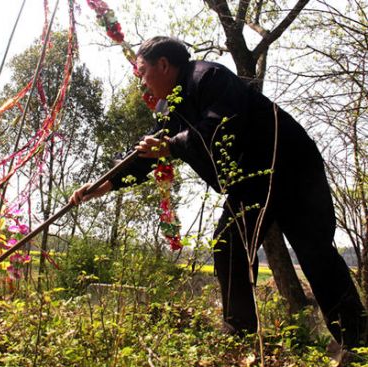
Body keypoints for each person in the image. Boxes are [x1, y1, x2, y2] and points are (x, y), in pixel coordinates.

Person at [70, 36, 367, 349]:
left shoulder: (209, 77)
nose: (141, 82)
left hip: (292, 166)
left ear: (164, 65)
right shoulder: (173, 105)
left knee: (315, 251)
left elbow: (219, 127)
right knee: (229, 245)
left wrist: (170, 147)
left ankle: (357, 340)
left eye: (142, 72)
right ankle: (240, 338)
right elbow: (147, 150)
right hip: (251, 179)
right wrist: (106, 183)